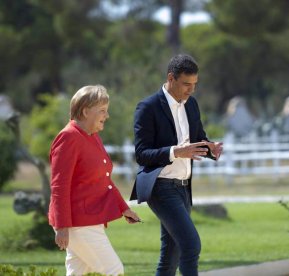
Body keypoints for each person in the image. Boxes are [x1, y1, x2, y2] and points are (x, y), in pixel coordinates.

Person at [130, 54, 223, 276]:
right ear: (171, 78)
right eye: (186, 84)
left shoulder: (192, 105)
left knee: (171, 255)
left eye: (194, 85)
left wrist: (211, 149)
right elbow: (141, 154)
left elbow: (198, 139)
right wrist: (175, 151)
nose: (191, 90)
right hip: (160, 187)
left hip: (183, 188)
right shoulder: (147, 107)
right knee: (191, 245)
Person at [48, 85, 141, 276]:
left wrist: (124, 208)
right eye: (102, 111)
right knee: (114, 270)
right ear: (85, 111)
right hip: (78, 223)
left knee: (77, 273)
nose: (106, 116)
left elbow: (104, 179)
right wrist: (62, 226)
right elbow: (59, 185)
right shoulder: (68, 137)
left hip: (88, 221)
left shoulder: (92, 136)